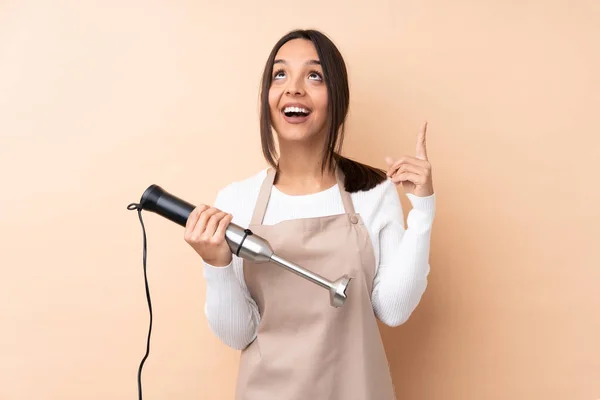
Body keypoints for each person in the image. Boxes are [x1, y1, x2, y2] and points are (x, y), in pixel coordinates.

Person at [183, 29, 436, 400]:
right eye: (280, 75)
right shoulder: (237, 199)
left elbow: (393, 310)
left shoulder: (373, 192)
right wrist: (216, 265)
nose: (294, 88)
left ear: (337, 97)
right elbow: (237, 334)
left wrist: (423, 211)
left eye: (314, 75)